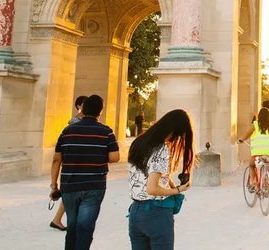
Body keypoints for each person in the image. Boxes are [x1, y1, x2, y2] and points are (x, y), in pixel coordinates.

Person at [51, 94, 120, 250]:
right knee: (85, 228)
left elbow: (56, 159)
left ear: (83, 109)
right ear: (100, 112)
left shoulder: (67, 131)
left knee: (72, 226)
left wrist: (54, 185)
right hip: (94, 185)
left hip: (69, 184)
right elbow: (115, 157)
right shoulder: (106, 132)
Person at [126, 109, 194, 249]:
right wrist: (178, 189)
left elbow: (144, 175)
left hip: (135, 212)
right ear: (174, 131)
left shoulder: (138, 143)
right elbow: (152, 188)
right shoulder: (161, 148)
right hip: (157, 213)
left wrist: (168, 180)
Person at [50, 96, 88, 231]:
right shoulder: (75, 123)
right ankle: (58, 219)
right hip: (73, 163)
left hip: (73, 163)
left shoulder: (79, 121)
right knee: (72, 193)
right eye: (84, 104)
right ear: (78, 106)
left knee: (71, 193)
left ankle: (57, 219)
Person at [239, 105, 269, 187]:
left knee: (251, 165)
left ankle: (253, 183)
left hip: (257, 153)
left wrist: (241, 139)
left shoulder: (255, 125)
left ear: (259, 116)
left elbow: (246, 135)